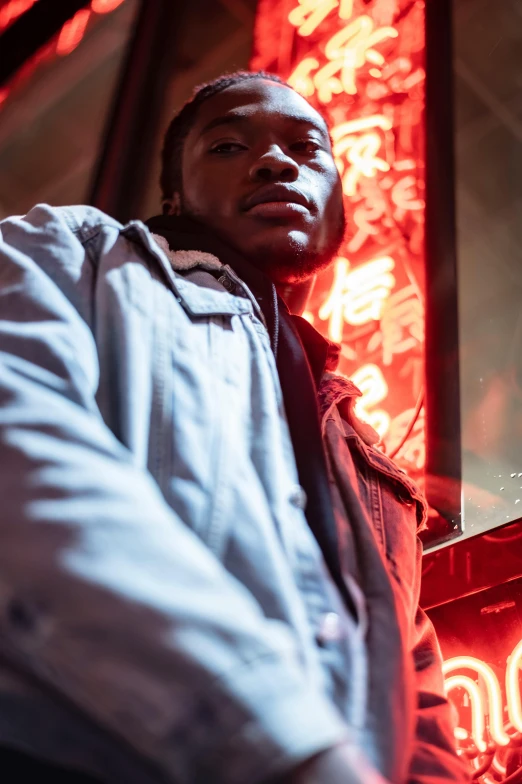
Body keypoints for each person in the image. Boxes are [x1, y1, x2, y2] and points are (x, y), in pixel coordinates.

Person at [0, 71, 469, 784]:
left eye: (307, 149)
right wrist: (278, 741)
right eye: (226, 145)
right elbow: (22, 461)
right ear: (175, 195)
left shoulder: (366, 458)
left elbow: (417, 692)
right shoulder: (69, 254)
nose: (276, 162)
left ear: (342, 196)